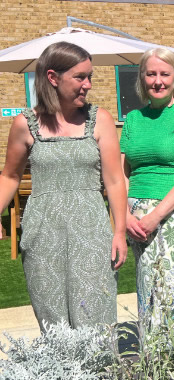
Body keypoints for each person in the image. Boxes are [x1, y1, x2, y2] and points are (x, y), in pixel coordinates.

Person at [0, 41, 127, 330]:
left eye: (90, 76)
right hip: (43, 232)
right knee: (52, 319)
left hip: (92, 232)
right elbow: (9, 177)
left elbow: (115, 180)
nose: (88, 84)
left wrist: (119, 232)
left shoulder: (100, 120)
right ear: (53, 78)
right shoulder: (25, 123)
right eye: (80, 77)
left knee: (95, 315)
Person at [120, 48, 174, 329]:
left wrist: (155, 216)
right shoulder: (133, 119)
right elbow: (121, 173)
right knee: (146, 283)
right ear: (142, 79)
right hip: (135, 216)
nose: (158, 81)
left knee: (172, 286)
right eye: (151, 74)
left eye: (165, 74)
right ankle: (151, 351)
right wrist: (125, 216)